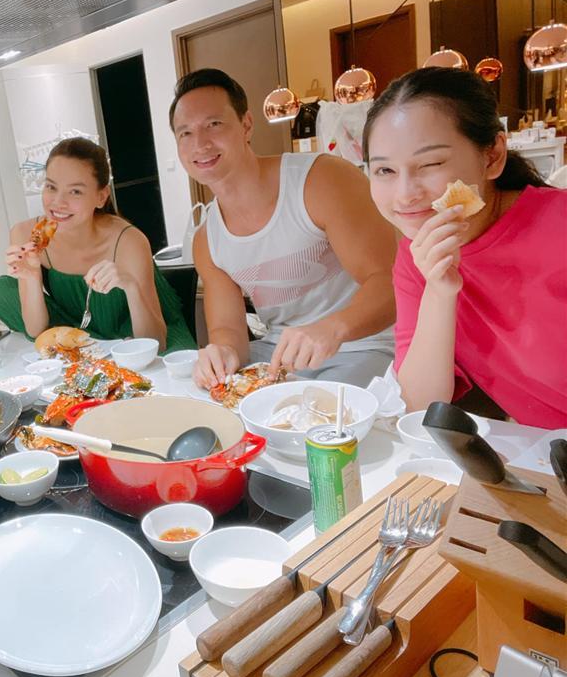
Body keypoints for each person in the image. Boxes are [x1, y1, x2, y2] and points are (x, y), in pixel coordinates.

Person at [363, 66, 567, 427]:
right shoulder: (416, 258)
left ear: (492, 156)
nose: (405, 194)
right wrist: (439, 290)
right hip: (543, 450)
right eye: (384, 171)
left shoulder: (557, 224)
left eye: (430, 164)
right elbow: (418, 404)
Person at [169, 68, 397, 389]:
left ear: (246, 124)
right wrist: (221, 353)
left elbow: (390, 282)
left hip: (363, 345)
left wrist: (332, 328)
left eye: (214, 124)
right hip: (279, 355)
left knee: (320, 415)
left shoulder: (321, 180)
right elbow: (228, 331)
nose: (200, 144)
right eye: (185, 133)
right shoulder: (207, 240)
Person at [0, 137, 197, 352]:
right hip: (77, 328)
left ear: (101, 197)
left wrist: (130, 286)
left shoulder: (128, 241)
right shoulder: (25, 234)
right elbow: (36, 330)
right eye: (51, 187)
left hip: (138, 331)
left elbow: (155, 342)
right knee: (0, 291)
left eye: (75, 191)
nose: (58, 202)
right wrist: (31, 277)